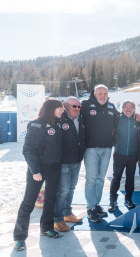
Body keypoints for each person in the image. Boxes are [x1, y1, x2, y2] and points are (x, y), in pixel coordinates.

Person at [13, 99, 64, 251]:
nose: (62, 110)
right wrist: (35, 170)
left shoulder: (58, 123)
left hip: (54, 167)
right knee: (29, 202)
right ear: (50, 109)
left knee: (50, 198)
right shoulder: (37, 124)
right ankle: (20, 237)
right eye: (59, 108)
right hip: (38, 169)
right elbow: (28, 149)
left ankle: (46, 227)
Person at [80, 84, 119, 222]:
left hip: (107, 148)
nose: (103, 96)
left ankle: (96, 205)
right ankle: (90, 207)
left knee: (101, 178)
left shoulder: (111, 107)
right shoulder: (85, 105)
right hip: (90, 148)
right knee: (91, 178)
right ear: (94, 94)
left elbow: (119, 121)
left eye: (105, 94)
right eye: (100, 94)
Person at [53, 97, 86, 232]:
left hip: (77, 160)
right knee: (63, 191)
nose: (77, 109)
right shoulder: (60, 119)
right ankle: (57, 219)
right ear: (66, 106)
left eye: (79, 106)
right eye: (74, 106)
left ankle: (67, 214)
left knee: (71, 188)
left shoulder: (81, 119)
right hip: (64, 162)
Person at [108, 100, 139, 212]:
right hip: (119, 154)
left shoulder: (137, 120)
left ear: (134, 108)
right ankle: (112, 201)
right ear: (122, 108)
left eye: (131, 107)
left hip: (132, 155)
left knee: (130, 179)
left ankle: (128, 200)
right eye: (125, 106)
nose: (128, 109)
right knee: (116, 178)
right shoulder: (117, 119)